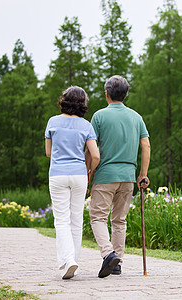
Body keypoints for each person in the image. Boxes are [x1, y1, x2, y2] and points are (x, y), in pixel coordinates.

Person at [85, 75, 150, 278]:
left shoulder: (99, 117)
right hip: (128, 176)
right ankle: (117, 263)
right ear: (126, 94)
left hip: (105, 174)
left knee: (97, 217)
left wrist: (88, 174)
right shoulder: (136, 117)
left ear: (107, 94)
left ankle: (108, 254)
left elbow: (91, 149)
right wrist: (143, 175)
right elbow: (146, 145)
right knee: (119, 221)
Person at [45, 86, 100, 280]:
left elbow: (49, 153)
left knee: (61, 220)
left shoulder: (52, 121)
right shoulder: (86, 125)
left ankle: (68, 260)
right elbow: (95, 155)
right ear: (83, 104)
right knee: (76, 220)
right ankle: (72, 262)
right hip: (79, 175)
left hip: (58, 175)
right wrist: (89, 172)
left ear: (64, 101)